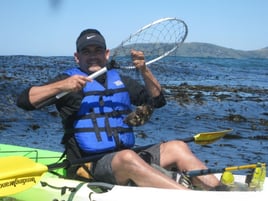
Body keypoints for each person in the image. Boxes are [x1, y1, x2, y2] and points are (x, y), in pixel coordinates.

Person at [17, 28, 223, 190]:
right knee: (127, 157)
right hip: (88, 164)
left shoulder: (121, 80)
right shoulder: (67, 80)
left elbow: (157, 99)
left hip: (126, 156)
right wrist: (61, 86)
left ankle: (218, 191)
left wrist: (144, 69)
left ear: (106, 54)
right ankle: (187, 196)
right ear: (76, 57)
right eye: (86, 52)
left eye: (98, 50)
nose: (93, 56)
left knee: (177, 146)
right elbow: (24, 101)